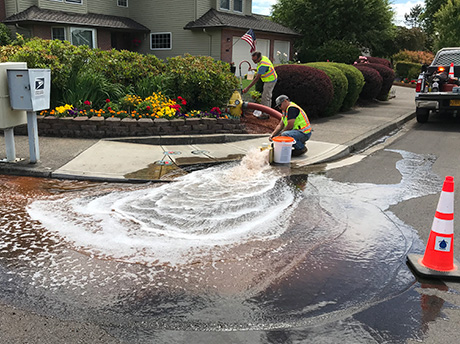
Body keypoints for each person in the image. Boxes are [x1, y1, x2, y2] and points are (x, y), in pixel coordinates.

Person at [242, 52, 278, 119]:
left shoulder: (263, 65)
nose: (254, 61)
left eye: (255, 60)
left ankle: (265, 114)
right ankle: (268, 112)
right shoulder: (263, 59)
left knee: (265, 97)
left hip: (270, 80)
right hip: (269, 79)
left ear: (259, 58)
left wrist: (247, 88)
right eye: (252, 60)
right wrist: (253, 69)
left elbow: (256, 79)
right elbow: (260, 70)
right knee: (267, 96)